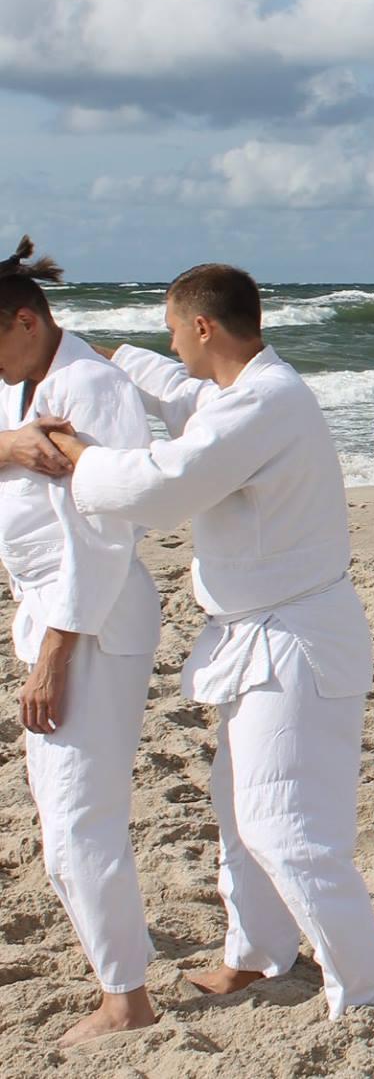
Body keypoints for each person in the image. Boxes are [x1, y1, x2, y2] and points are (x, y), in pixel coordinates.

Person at [59, 263, 374, 1019]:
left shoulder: (264, 403)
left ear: (203, 326)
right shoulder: (239, 391)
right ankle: (258, 954)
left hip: (296, 641)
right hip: (262, 636)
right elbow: (177, 391)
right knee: (241, 811)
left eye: (173, 329)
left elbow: (162, 485)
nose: (170, 344)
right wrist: (96, 352)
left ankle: (364, 997)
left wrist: (78, 457)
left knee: (287, 829)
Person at [0, 239, 163, 1046]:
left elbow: (105, 533)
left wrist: (54, 655)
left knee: (77, 820)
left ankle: (127, 1000)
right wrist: (8, 446)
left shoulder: (91, 388)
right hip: (45, 612)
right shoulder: (18, 380)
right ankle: (118, 967)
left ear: (26, 321)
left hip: (89, 622)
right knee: (60, 818)